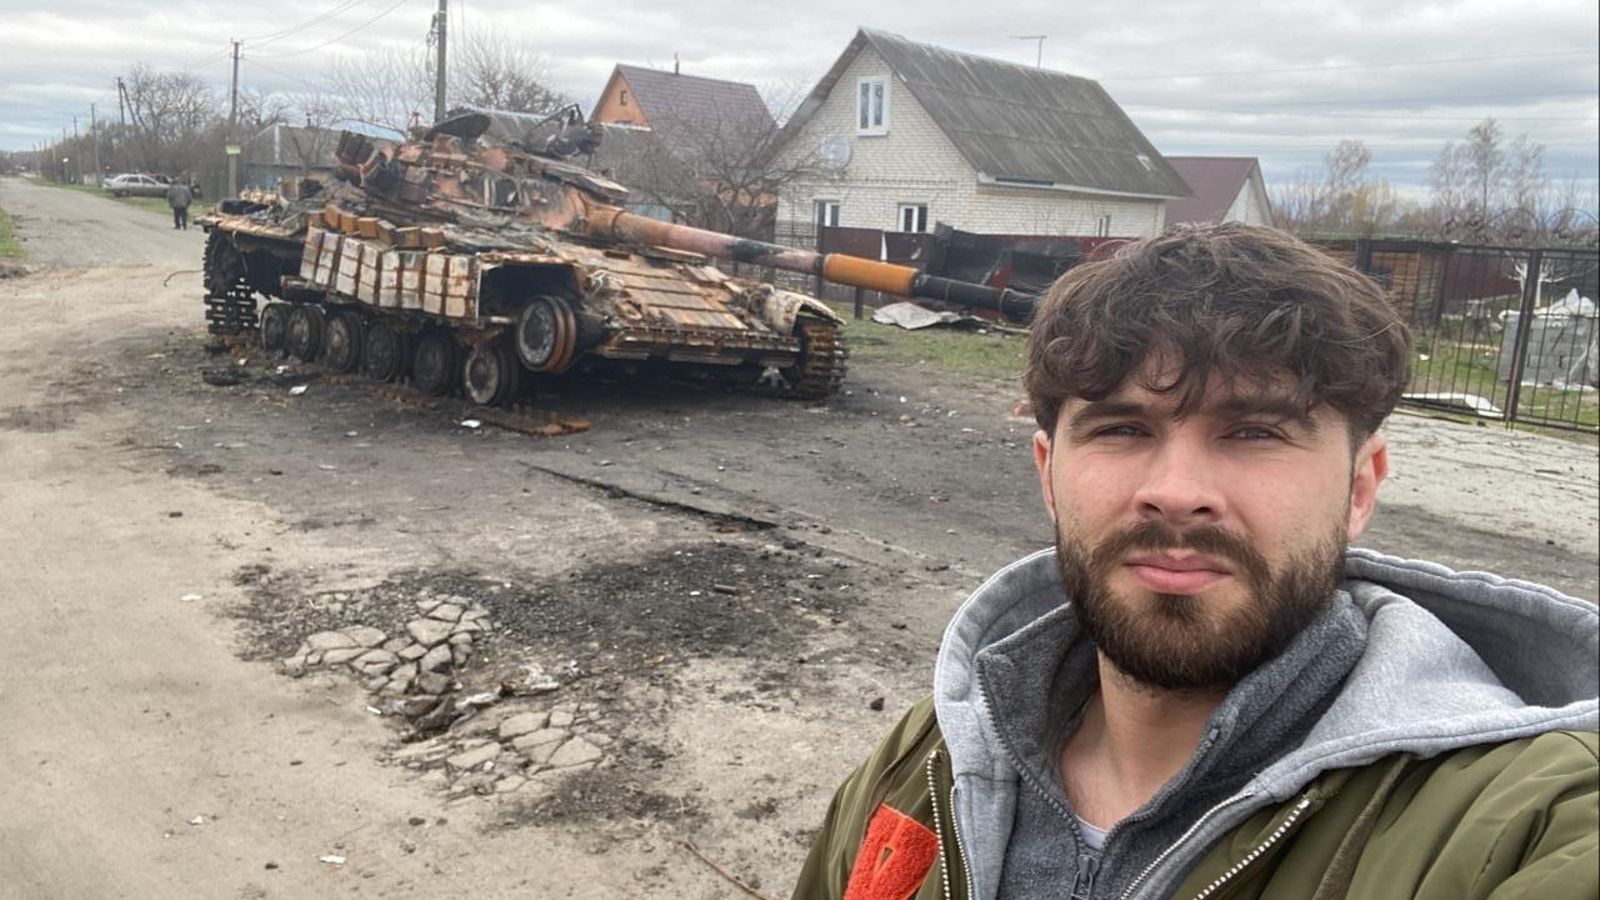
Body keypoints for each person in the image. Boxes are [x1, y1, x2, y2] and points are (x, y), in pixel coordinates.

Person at [794, 223, 1598, 900]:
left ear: (1360, 488)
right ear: (1048, 475)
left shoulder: (1525, 825)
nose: (1176, 494)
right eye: (1122, 429)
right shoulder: (934, 753)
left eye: (1253, 431)